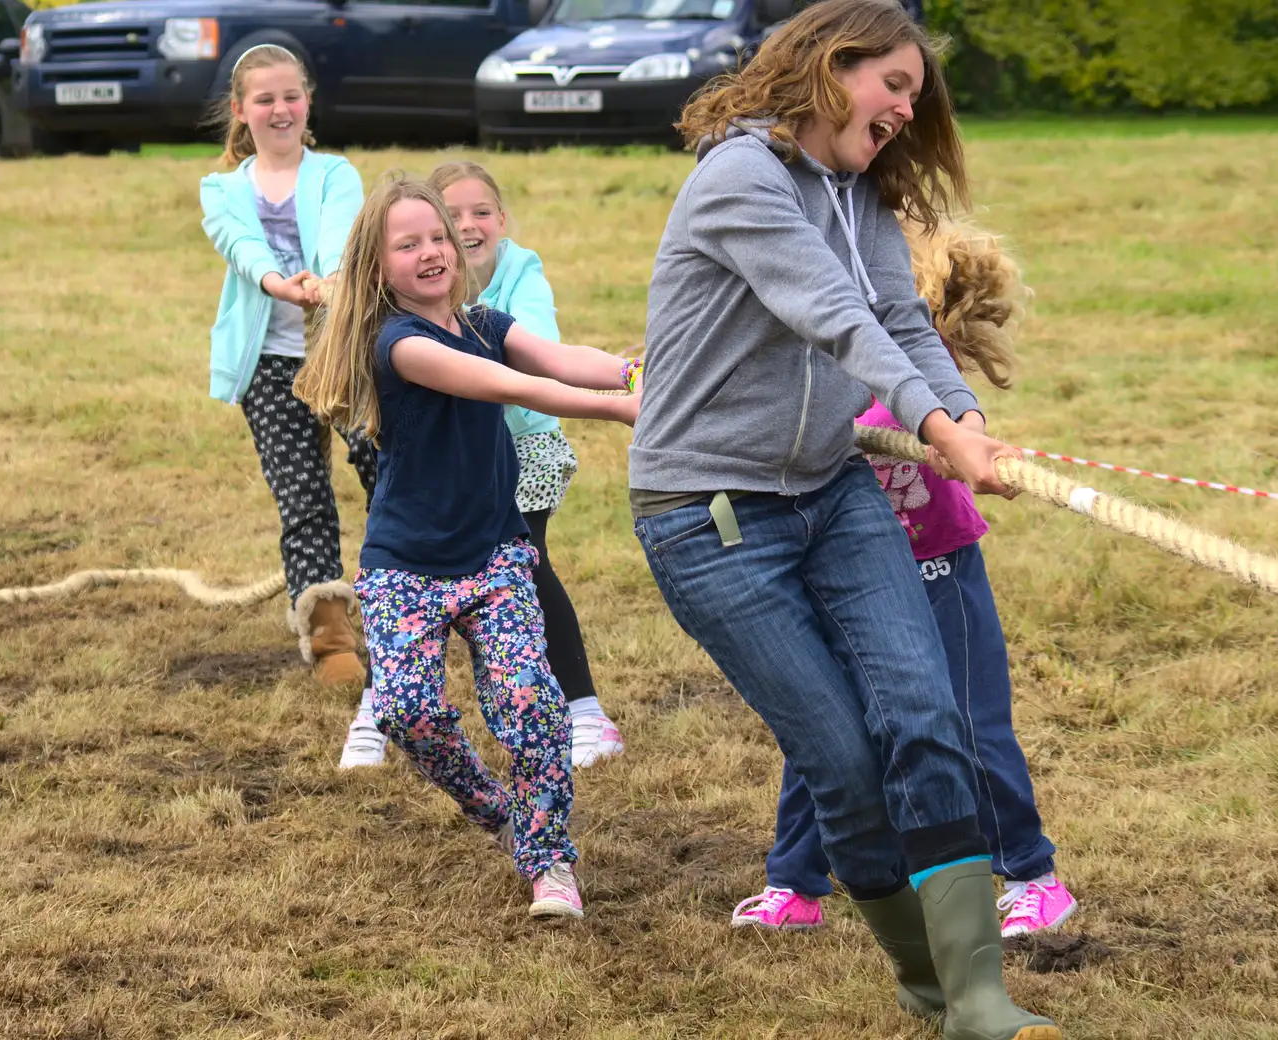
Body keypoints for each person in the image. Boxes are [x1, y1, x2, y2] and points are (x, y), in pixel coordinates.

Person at [629, 0, 1059, 1036]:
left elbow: (902, 319)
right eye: (893, 85)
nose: (907, 110)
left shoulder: (859, 193)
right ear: (829, 68)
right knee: (846, 762)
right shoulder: (738, 178)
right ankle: (928, 984)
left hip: (830, 492)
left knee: (927, 716)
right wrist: (940, 433)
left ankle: (981, 999)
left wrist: (965, 421)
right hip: (709, 514)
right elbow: (830, 311)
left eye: (916, 93)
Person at [293, 176, 639, 919]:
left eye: (438, 237)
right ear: (377, 266)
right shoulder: (400, 344)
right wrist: (621, 411)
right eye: (407, 244)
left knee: (532, 705)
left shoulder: (484, 319)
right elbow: (520, 388)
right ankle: (497, 810)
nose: (430, 253)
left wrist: (629, 371)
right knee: (407, 712)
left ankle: (549, 861)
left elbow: (556, 358)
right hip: (403, 567)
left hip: (495, 557)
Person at [731, 218, 1078, 940]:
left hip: (937, 567)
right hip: (841, 569)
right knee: (824, 729)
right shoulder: (803, 350)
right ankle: (795, 882)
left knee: (966, 724)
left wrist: (962, 441)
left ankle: (1031, 876)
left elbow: (928, 403)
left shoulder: (910, 349)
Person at [434, 159, 625, 767]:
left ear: (502, 219)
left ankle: (586, 712)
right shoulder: (423, 277)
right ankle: (387, 708)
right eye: (453, 215)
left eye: (481, 212)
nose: (469, 225)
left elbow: (538, 344)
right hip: (454, 455)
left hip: (527, 445)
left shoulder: (521, 270)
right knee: (426, 579)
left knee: (527, 567)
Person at [199, 43, 374, 689]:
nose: (280, 109)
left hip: (343, 352)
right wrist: (279, 283)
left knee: (383, 470)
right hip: (270, 365)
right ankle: (329, 637)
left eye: (291, 96)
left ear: (307, 102)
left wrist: (326, 281)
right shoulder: (221, 189)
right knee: (302, 498)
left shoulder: (336, 173)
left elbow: (341, 231)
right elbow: (239, 245)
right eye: (265, 99)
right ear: (242, 111)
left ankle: (401, 608)